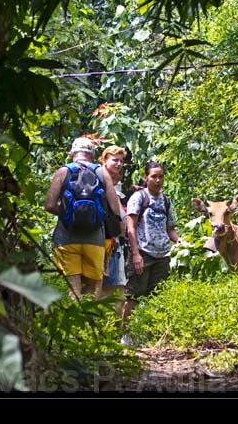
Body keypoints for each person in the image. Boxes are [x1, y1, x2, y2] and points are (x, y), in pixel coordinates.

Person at [44, 137, 121, 299]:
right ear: (92, 155)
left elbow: (49, 205)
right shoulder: (101, 172)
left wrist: (68, 214)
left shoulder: (63, 171)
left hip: (66, 238)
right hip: (94, 239)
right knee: (94, 290)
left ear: (72, 154)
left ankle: (75, 320)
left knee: (74, 288)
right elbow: (115, 208)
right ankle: (93, 321)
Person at [121, 161, 183, 346]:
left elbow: (170, 228)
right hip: (143, 253)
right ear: (146, 177)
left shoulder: (166, 200)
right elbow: (130, 228)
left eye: (161, 176)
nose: (157, 180)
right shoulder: (138, 197)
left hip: (163, 255)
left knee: (157, 296)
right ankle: (127, 334)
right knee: (134, 295)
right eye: (154, 176)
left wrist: (180, 241)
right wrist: (136, 254)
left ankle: (153, 335)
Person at [98, 145, 129, 303]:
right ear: (104, 160)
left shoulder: (111, 182)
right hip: (105, 242)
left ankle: (112, 325)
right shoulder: (100, 181)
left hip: (113, 242)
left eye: (121, 161)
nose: (119, 164)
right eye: (115, 160)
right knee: (112, 288)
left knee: (114, 288)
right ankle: (109, 325)